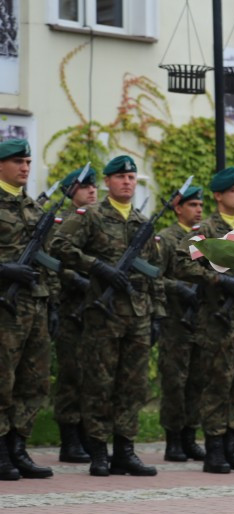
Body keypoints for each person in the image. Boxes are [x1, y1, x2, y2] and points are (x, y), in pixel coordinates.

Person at [50, 155, 165, 477]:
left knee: (133, 386)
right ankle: (99, 452)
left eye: (131, 177)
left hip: (138, 316)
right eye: (120, 177)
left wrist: (157, 315)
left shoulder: (143, 222)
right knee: (99, 384)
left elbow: (155, 274)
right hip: (103, 314)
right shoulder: (91, 216)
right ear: (108, 182)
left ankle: (125, 451)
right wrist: (96, 266)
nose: (127, 181)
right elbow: (59, 245)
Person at [174, 166, 234, 474]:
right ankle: (213, 448)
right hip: (217, 321)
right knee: (217, 384)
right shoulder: (206, 229)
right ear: (219, 196)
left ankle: (231, 446)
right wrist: (218, 281)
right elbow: (181, 263)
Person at [0, 138, 54, 480]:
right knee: (2, 381)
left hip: (35, 304)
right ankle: (1, 450)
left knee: (34, 382)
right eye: (18, 161)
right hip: (4, 308)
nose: (25, 167)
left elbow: (49, 262)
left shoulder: (34, 208)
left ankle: (19, 446)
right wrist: (4, 269)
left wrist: (55, 304)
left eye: (29, 162)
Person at [155, 185, 206, 462]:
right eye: (192, 205)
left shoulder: (202, 238)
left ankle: (190, 436)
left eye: (200, 205)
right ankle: (173, 440)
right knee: (175, 382)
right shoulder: (166, 238)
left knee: (196, 381)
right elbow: (156, 276)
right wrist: (179, 289)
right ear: (178, 208)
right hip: (175, 322)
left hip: (200, 321)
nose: (198, 210)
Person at [53, 166, 98, 464]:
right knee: (71, 374)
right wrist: (76, 279)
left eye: (94, 186)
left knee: (92, 376)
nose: (92, 190)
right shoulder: (61, 223)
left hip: (96, 309)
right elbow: (54, 259)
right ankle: (69, 440)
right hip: (70, 309)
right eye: (84, 186)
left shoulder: (98, 222)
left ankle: (86, 434)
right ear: (70, 191)